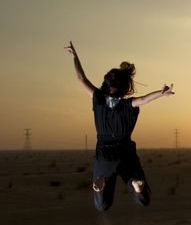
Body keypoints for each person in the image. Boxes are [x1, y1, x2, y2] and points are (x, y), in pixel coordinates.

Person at [65, 41, 174, 211]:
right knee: (143, 200)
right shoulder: (128, 105)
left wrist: (75, 56)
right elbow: (145, 99)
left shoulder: (98, 98)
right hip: (125, 152)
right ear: (125, 88)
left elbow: (81, 78)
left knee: (102, 205)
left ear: (107, 84)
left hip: (104, 154)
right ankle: (135, 184)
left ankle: (102, 182)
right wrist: (162, 93)